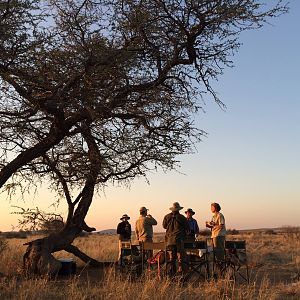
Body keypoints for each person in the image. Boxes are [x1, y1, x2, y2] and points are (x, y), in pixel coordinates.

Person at [162, 202, 189, 276]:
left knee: (171, 259)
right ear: (178, 209)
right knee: (181, 258)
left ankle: (171, 273)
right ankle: (181, 274)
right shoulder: (182, 217)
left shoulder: (166, 217)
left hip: (169, 241)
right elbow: (187, 228)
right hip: (179, 240)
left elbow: (164, 226)